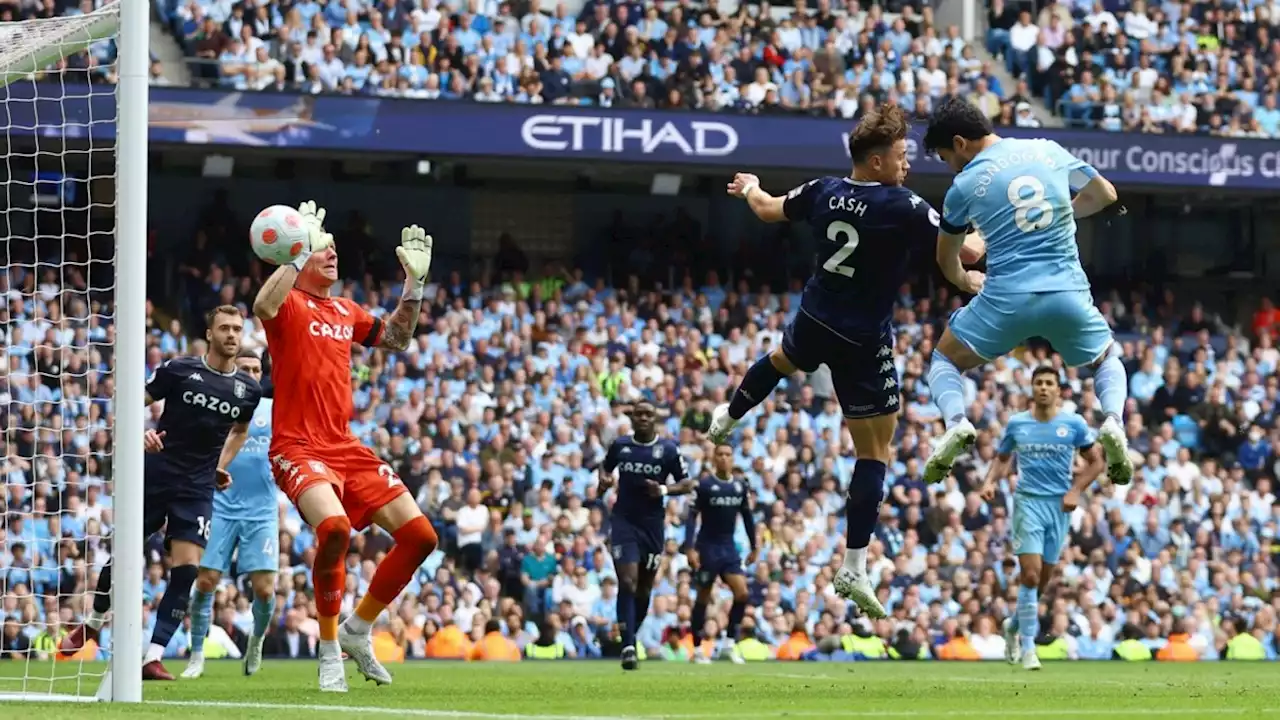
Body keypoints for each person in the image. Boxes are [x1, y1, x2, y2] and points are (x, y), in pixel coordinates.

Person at [713, 103, 984, 618]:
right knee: (876, 452)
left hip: (816, 318)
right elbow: (967, 252)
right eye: (902, 156)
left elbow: (768, 208)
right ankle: (854, 565)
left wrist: (749, 186)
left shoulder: (821, 190)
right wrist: (1002, 226)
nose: (908, 164)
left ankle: (728, 416)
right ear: (877, 163)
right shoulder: (901, 205)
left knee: (783, 358)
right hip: (863, 339)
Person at [252, 200, 439, 693]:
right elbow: (263, 307)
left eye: (333, 246)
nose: (333, 252)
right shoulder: (287, 301)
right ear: (299, 256)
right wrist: (294, 253)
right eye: (321, 247)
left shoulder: (345, 310)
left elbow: (397, 339)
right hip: (296, 443)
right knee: (334, 527)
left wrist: (414, 288)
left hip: (343, 444)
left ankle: (358, 629)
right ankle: (329, 647)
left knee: (422, 538)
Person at [920, 97, 1133, 487]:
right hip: (1066, 292)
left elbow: (947, 257)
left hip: (1006, 299)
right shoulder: (1046, 149)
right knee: (1105, 359)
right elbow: (1105, 195)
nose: (951, 165)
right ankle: (1115, 422)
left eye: (946, 156)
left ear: (960, 142)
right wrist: (1060, 212)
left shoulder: (963, 185)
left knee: (943, 362)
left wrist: (964, 280)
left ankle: (955, 422)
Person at [60, 306, 263, 681]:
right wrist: (142, 435)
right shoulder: (179, 370)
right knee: (122, 552)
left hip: (197, 486)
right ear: (209, 332)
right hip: (157, 473)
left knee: (186, 571)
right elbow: (131, 405)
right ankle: (93, 622)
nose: (232, 334)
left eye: (237, 328)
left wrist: (221, 465)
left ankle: (151, 657)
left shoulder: (248, 390)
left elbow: (239, 431)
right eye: (225, 328)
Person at [981, 365, 1106, 671]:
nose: (1044, 388)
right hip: (1028, 503)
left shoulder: (1073, 424)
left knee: (1043, 581)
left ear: (1058, 389)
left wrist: (1077, 490)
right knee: (1031, 575)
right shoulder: (1018, 424)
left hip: (1059, 507)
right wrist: (989, 480)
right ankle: (1028, 648)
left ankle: (1013, 626)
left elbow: (1096, 463)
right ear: (1032, 388)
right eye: (1039, 383)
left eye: (1049, 383)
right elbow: (1002, 458)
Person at [183, 348, 279, 679]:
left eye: (256, 369)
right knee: (207, 580)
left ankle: (256, 641)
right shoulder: (216, 409)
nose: (252, 374)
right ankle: (197, 653)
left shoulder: (274, 410)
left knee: (265, 588)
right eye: (245, 369)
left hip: (261, 509)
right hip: (220, 504)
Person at [599, 401, 694, 671]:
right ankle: (628, 646)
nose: (642, 418)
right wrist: (604, 480)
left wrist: (663, 490)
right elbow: (605, 468)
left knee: (644, 588)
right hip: (624, 521)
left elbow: (688, 483)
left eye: (647, 414)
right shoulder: (620, 446)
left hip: (652, 525)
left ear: (655, 420)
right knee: (627, 581)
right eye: (638, 414)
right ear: (632, 418)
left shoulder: (668, 450)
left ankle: (630, 634)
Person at [683, 444, 755, 664]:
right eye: (720, 454)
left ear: (733, 458)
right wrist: (689, 547)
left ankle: (729, 644)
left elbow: (747, 517)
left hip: (728, 547)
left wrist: (755, 546)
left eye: (728, 454)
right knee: (703, 597)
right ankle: (696, 648)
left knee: (742, 594)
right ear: (714, 459)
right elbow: (691, 517)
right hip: (707, 547)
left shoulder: (740, 486)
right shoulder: (704, 485)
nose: (724, 458)